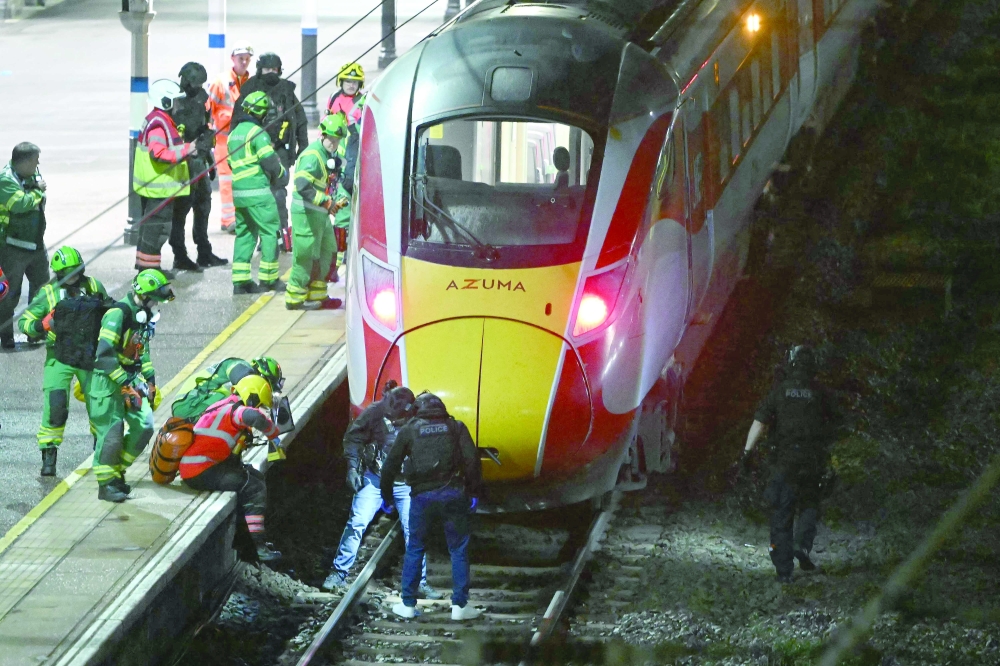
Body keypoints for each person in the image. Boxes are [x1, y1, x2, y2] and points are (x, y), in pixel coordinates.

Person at [323, 386, 441, 600]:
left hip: (406, 483)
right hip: (375, 478)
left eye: (395, 416)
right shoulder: (375, 411)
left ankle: (419, 582)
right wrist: (352, 466)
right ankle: (338, 573)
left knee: (413, 530)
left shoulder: (421, 420)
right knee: (357, 521)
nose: (390, 419)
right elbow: (354, 437)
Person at [381, 392, 483, 620]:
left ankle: (407, 604)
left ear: (418, 409)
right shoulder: (456, 427)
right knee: (457, 549)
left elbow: (390, 465)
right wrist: (474, 491)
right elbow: (471, 461)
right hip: (453, 495)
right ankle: (459, 607)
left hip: (422, 497)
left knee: (415, 547)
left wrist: (386, 496)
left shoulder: (410, 429)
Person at [743, 345, 836, 583]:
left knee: (782, 513)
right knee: (809, 504)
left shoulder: (779, 392)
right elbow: (835, 427)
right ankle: (802, 547)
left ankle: (784, 571)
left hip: (785, 461)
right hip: (813, 459)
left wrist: (747, 452)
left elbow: (760, 423)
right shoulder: (821, 393)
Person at [18, 246, 108, 476]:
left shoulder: (94, 287)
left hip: (90, 355)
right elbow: (25, 322)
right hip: (60, 356)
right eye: (68, 273)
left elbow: (110, 311)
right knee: (55, 406)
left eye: (77, 271)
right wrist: (42, 325)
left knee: (99, 404)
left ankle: (102, 451)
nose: (74, 277)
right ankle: (49, 455)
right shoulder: (48, 293)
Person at [89, 269, 175, 502]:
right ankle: (106, 484)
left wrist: (150, 380)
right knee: (112, 434)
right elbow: (104, 356)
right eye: (156, 299)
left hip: (130, 380)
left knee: (144, 426)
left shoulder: (141, 316)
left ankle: (116, 472)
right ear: (144, 296)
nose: (158, 304)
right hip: (107, 383)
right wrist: (126, 383)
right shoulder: (118, 314)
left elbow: (141, 351)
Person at [179, 375, 282, 562]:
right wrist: (274, 434)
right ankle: (258, 546)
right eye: (259, 404)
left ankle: (248, 540)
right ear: (252, 397)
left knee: (254, 476)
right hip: (201, 471)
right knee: (254, 487)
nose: (259, 408)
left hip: (197, 467)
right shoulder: (237, 411)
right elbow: (253, 416)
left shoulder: (223, 404)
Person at [231, 52, 309, 250]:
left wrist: (303, 147)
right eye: (267, 70)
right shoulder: (249, 88)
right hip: (254, 152)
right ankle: (261, 238)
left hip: (280, 150)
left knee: (279, 195)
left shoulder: (286, 90)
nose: (271, 73)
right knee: (258, 197)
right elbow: (236, 122)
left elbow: (300, 120)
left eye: (274, 70)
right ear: (259, 70)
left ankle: (281, 236)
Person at [133, 80, 198, 275]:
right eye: (175, 102)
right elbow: (159, 153)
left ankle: (145, 266)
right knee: (157, 229)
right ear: (165, 102)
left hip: (156, 188)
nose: (177, 106)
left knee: (151, 228)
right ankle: (150, 272)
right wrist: (188, 150)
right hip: (159, 188)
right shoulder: (159, 124)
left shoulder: (158, 119)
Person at [286, 113, 349, 310]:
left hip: (320, 213)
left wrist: (337, 200)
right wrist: (326, 201)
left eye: (337, 140)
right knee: (306, 255)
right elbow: (302, 186)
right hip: (306, 213)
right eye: (331, 139)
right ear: (323, 136)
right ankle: (294, 298)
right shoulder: (312, 156)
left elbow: (332, 181)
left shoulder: (331, 155)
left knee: (327, 252)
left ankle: (318, 294)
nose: (334, 144)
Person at [170, 62, 228, 271]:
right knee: (181, 209)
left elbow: (205, 125)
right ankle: (180, 254)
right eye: (195, 83)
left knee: (203, 205)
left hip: (200, 160)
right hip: (183, 162)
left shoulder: (202, 97)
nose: (198, 88)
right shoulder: (174, 101)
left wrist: (209, 157)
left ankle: (203, 251)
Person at [228, 91, 285, 294]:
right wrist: (281, 173)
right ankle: (269, 279)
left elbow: (229, 162)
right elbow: (269, 161)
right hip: (258, 192)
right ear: (261, 113)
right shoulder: (257, 133)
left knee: (245, 233)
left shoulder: (234, 134)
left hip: (239, 194)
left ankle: (241, 282)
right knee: (270, 232)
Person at [0, 142, 49, 349]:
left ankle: (33, 331)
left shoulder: (33, 174)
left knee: (41, 291)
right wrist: (37, 193)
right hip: (13, 246)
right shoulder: (6, 180)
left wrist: (37, 192)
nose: (38, 163)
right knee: (10, 294)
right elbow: (20, 204)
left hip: (36, 244)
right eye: (35, 159)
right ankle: (6, 334)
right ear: (25, 161)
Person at [208, 45, 254, 233]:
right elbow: (208, 109)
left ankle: (238, 218)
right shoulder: (221, 82)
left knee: (242, 178)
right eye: (241, 58)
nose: (244, 61)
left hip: (244, 141)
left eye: (247, 58)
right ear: (232, 58)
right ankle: (229, 220)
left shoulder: (251, 82)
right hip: (224, 141)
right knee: (227, 181)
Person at [172, 355, 284, 421]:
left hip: (198, 405)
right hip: (191, 402)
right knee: (235, 405)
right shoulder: (240, 365)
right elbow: (240, 374)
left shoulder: (246, 391)